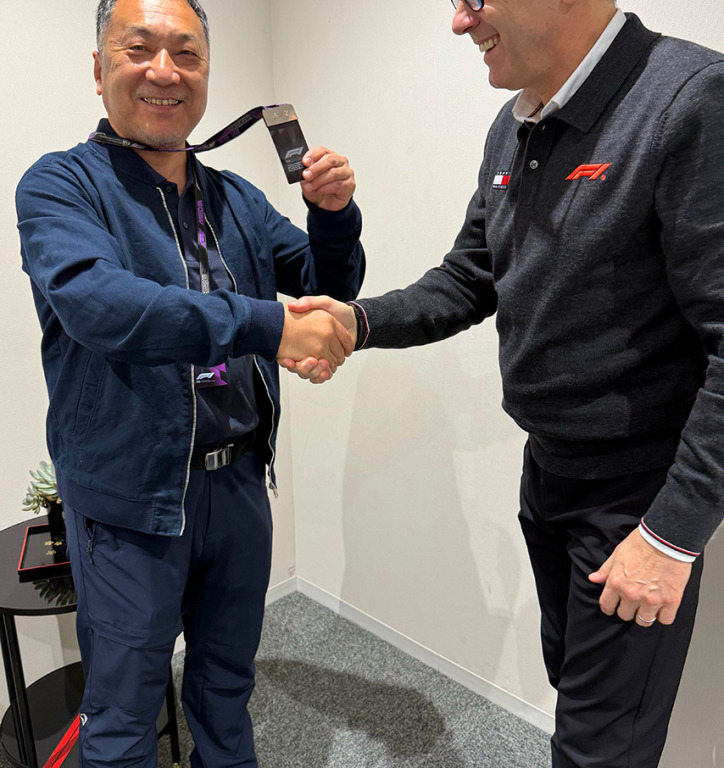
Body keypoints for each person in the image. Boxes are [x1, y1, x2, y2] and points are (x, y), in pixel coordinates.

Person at [281, 1, 724, 766]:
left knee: (599, 749)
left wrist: (670, 535)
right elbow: (470, 276)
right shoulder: (515, 124)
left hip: (633, 499)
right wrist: (357, 320)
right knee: (574, 691)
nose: (460, 22)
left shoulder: (691, 100)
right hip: (547, 475)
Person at [15, 0, 364, 765]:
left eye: (187, 53)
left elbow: (324, 288)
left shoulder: (237, 197)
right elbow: (102, 306)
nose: (165, 70)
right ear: (99, 68)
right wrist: (268, 326)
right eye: (139, 48)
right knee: (123, 714)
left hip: (238, 486)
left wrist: (334, 217)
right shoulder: (59, 186)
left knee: (226, 686)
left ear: (206, 73)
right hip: (130, 499)